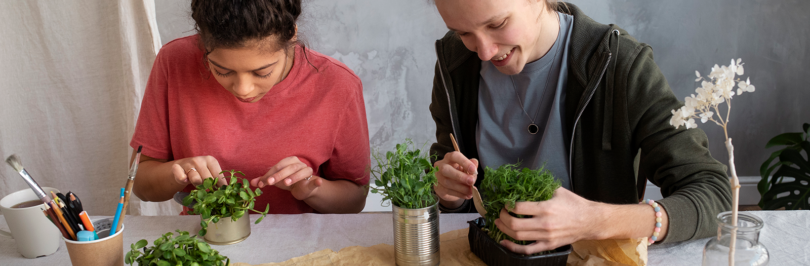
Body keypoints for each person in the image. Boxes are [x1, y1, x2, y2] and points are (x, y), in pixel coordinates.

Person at [428, 0, 732, 254]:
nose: (484, 51)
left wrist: (595, 220)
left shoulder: (620, 64)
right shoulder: (454, 64)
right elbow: (449, 183)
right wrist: (449, 192)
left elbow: (714, 193)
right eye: (464, 32)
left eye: (497, 25)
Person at [129, 0, 370, 214]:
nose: (243, 89)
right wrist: (177, 171)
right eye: (222, 71)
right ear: (203, 42)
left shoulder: (338, 85)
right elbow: (141, 185)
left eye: (262, 72)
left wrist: (312, 190)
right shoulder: (174, 62)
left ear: (292, 36)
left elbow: (355, 200)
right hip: (205, 240)